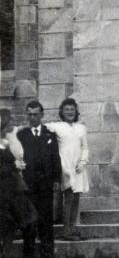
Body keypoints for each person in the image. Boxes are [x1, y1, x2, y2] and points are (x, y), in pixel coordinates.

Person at [17, 101, 61, 258]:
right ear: (27, 115)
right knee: (29, 221)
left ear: (42, 115)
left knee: (46, 220)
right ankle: (28, 253)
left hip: (45, 185)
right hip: (28, 185)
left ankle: (47, 253)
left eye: (35, 114)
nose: (32, 117)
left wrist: (57, 179)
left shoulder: (50, 135)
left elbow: (56, 158)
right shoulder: (21, 135)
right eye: (30, 114)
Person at [43, 98, 89, 241]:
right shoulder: (57, 126)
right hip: (65, 165)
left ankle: (73, 229)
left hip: (78, 167)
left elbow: (85, 147)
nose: (69, 112)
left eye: (72, 109)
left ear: (76, 112)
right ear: (62, 112)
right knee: (68, 198)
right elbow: (39, 127)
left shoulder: (81, 128)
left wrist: (82, 161)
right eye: (66, 109)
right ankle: (66, 232)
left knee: (76, 198)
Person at [0, 109, 36, 258]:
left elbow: (20, 128)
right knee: (7, 226)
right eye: (10, 122)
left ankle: (27, 254)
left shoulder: (5, 141)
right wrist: (15, 166)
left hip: (13, 189)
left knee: (30, 219)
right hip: (3, 191)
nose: (12, 125)